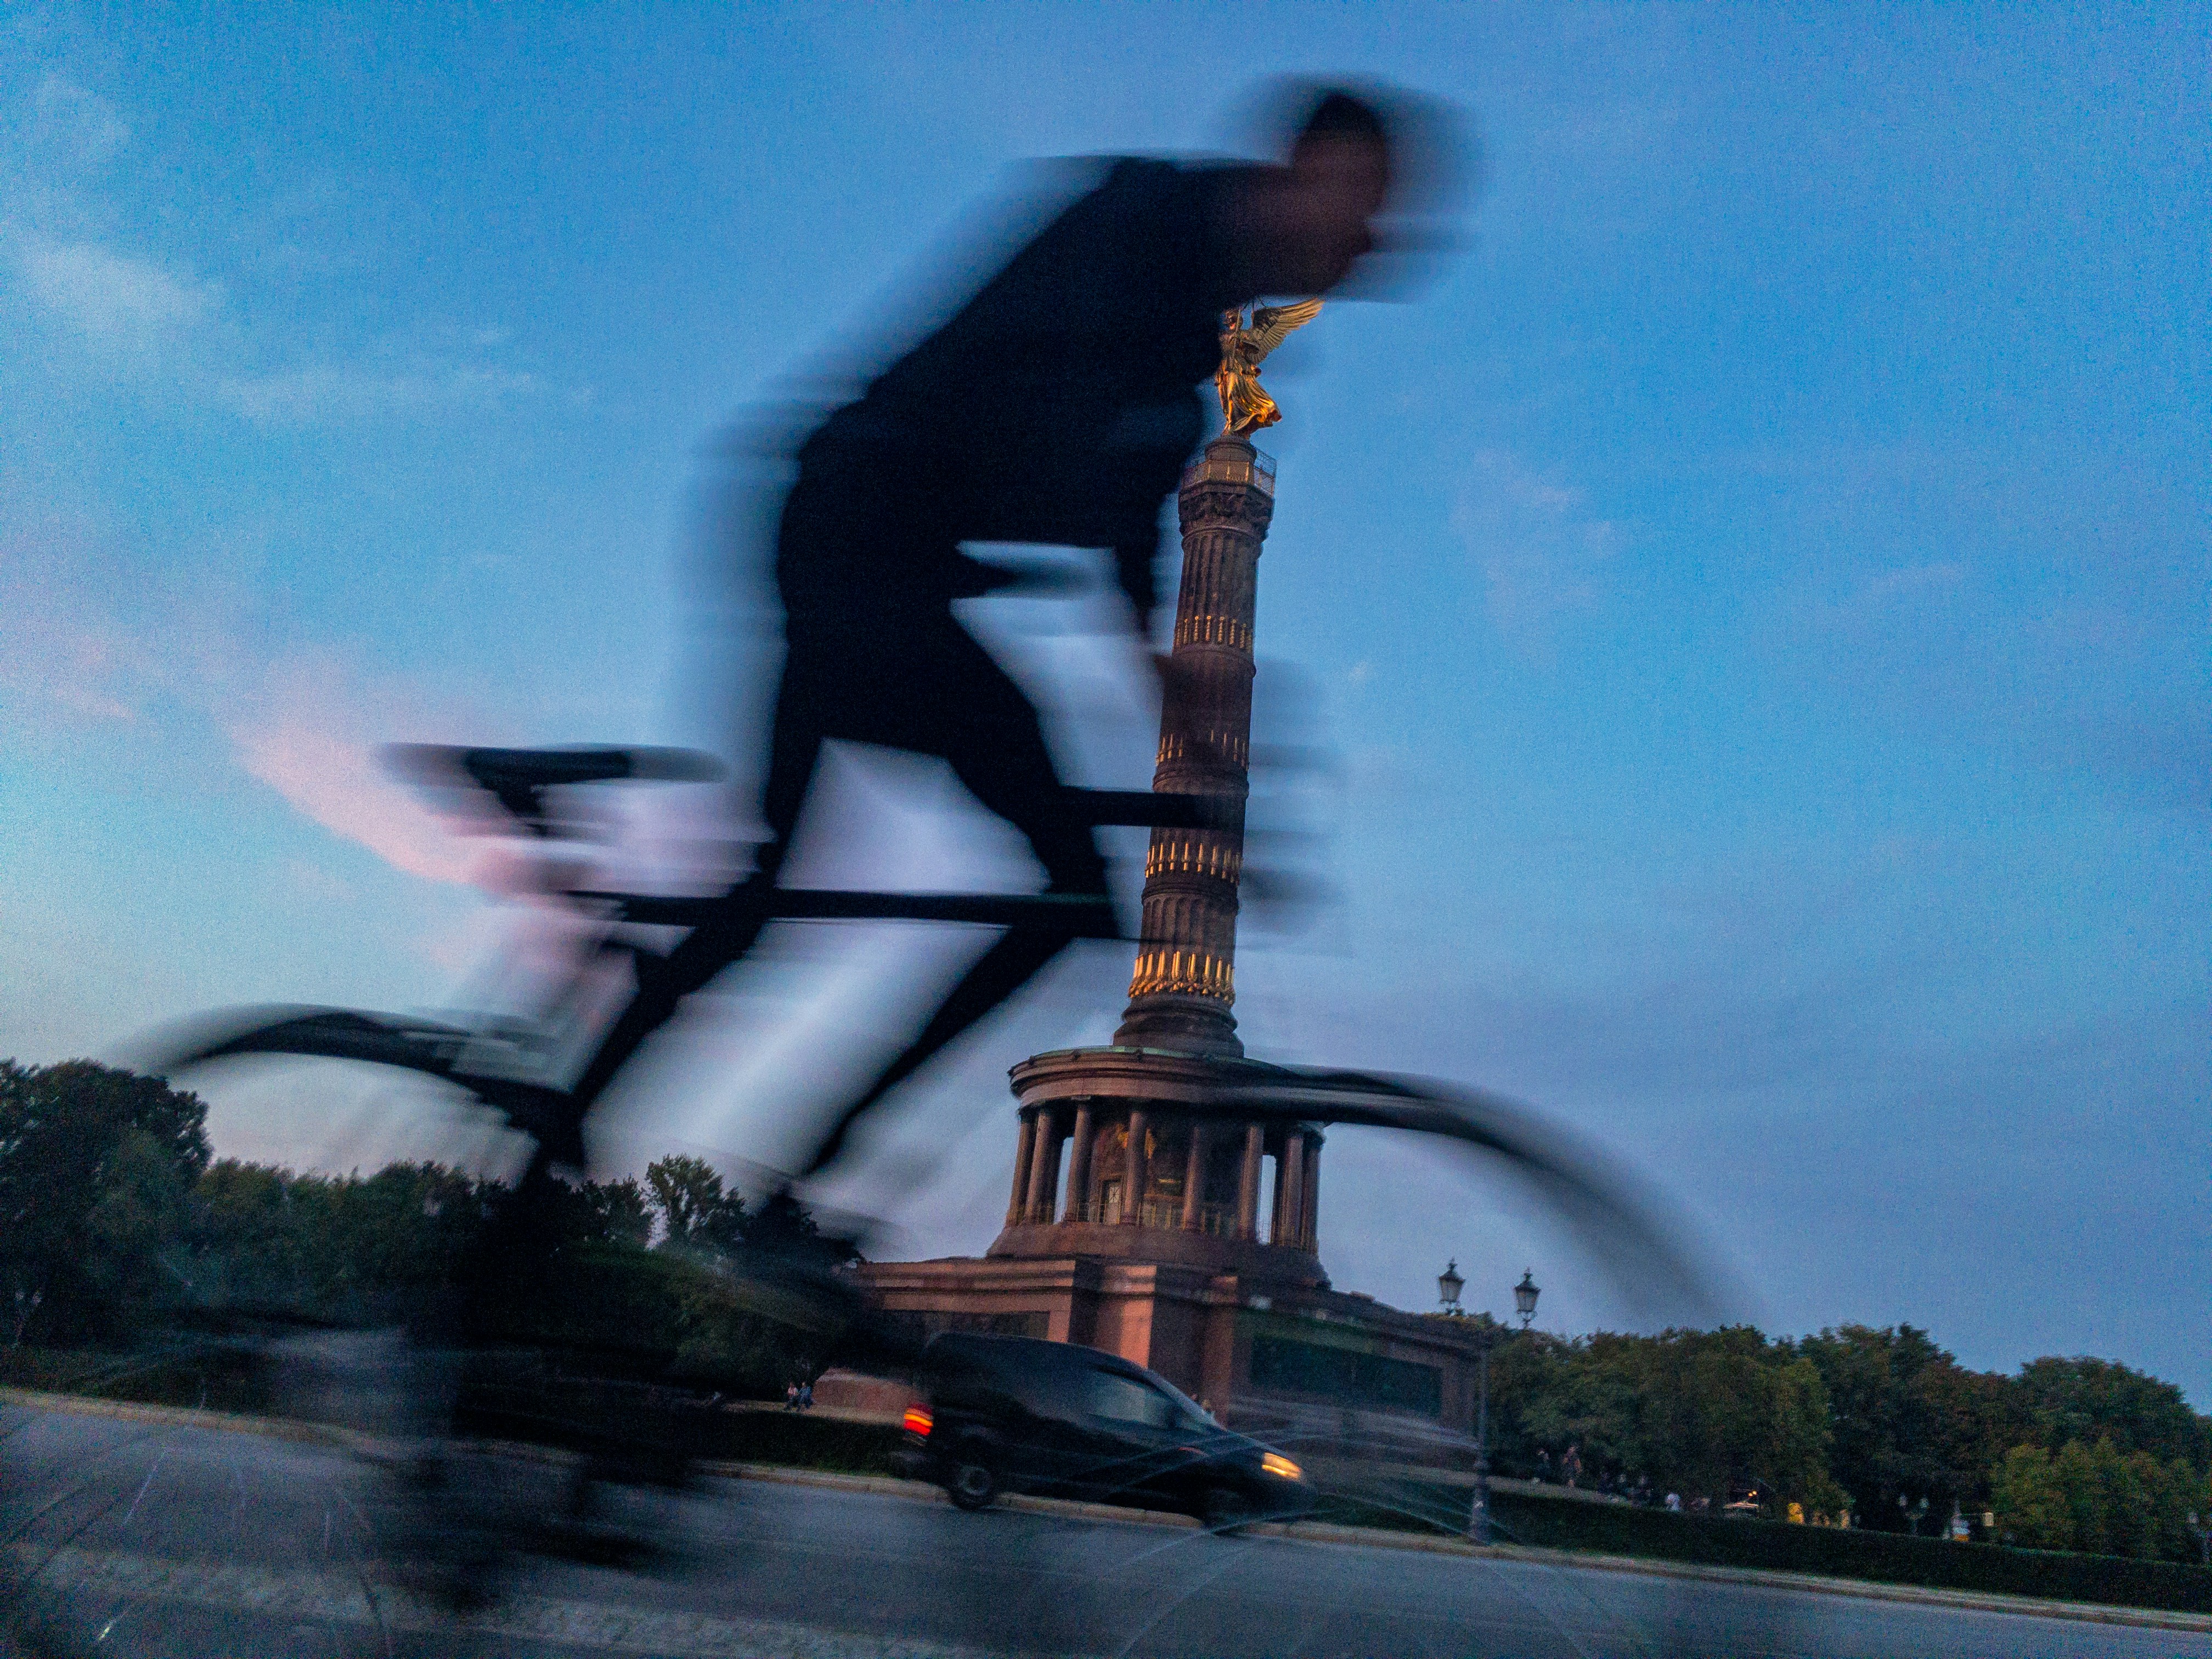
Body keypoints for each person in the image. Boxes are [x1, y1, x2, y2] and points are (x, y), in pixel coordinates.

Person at [564, 87, 1423, 1174]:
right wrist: (1160, 658)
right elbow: (1061, 427)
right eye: (1367, 205)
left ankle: (571, 1133)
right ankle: (782, 1184)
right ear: (1304, 169)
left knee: (775, 894)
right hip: (858, 536)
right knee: (1060, 888)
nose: (1375, 245)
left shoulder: (1184, 345)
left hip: (883, 555)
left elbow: (1124, 563)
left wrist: (1200, 744)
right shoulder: (1139, 227)